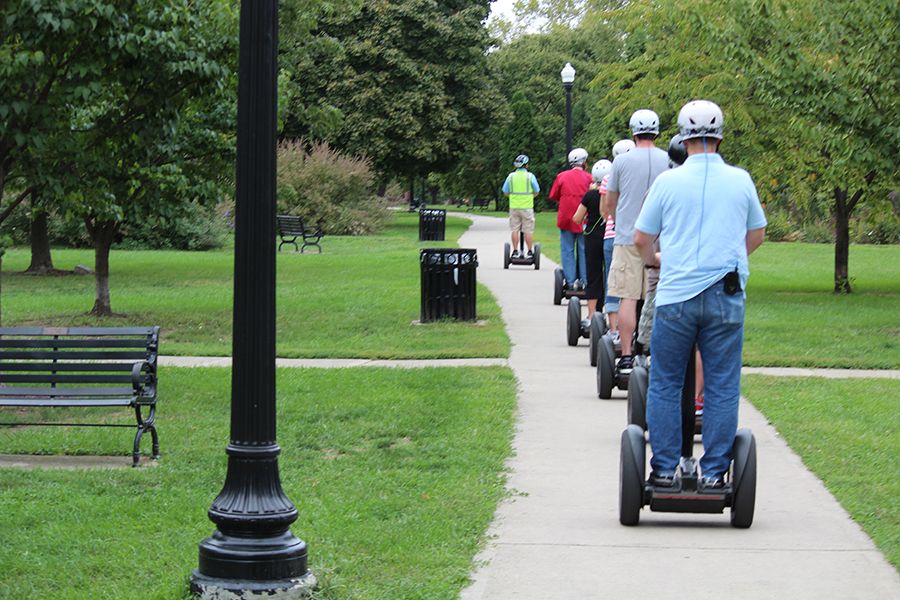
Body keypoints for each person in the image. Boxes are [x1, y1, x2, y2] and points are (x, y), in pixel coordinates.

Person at [634, 100, 767, 489]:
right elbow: (756, 234)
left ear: (681, 138)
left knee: (665, 382)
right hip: (725, 295)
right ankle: (713, 475)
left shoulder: (668, 182)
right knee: (723, 384)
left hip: (676, 296)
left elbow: (642, 237)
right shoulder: (741, 180)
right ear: (720, 136)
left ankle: (662, 470)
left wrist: (655, 259)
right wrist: (731, 256)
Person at [605, 109, 669, 376]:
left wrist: (621, 223)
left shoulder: (621, 162)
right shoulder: (669, 159)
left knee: (628, 297)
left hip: (629, 237)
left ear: (633, 131)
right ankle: (654, 351)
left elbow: (611, 202)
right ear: (657, 131)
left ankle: (628, 354)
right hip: (661, 239)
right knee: (660, 296)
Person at [600, 139, 636, 343]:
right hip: (636, 237)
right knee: (635, 289)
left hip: (612, 235)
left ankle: (613, 330)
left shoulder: (608, 178)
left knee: (614, 284)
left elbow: (604, 211)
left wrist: (616, 221)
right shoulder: (640, 176)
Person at [572, 159, 612, 326]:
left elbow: (576, 218)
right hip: (610, 236)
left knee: (593, 275)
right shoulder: (614, 194)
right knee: (611, 276)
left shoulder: (589, 196)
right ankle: (613, 318)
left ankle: (591, 316)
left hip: (593, 239)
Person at [549, 148, 593, 289]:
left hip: (566, 218)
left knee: (567, 250)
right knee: (583, 250)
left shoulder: (561, 176)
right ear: (584, 162)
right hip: (584, 219)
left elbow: (554, 196)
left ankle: (570, 281)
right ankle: (586, 281)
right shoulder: (590, 177)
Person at [501, 154, 540, 259]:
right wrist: (531, 196)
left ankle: (514, 251)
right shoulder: (530, 176)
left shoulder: (511, 176)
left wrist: (513, 196)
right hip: (527, 207)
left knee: (515, 229)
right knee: (528, 230)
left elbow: (505, 191)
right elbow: (537, 190)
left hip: (514, 207)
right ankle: (530, 252)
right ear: (526, 165)